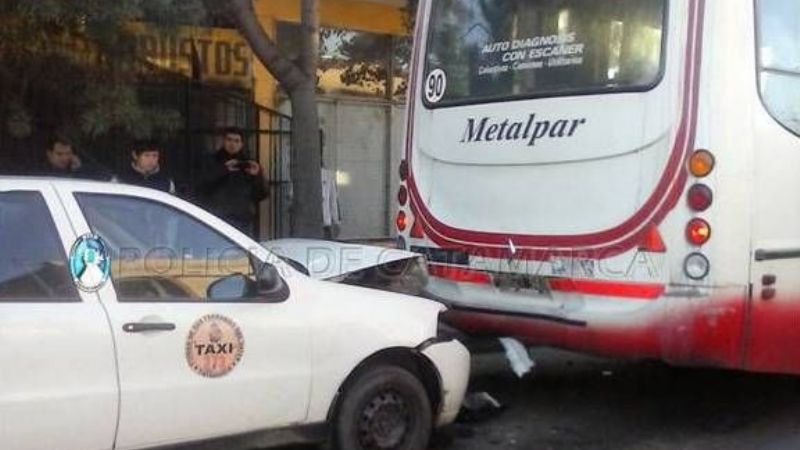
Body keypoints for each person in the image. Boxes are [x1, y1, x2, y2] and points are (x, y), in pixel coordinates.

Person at [198, 127, 268, 236]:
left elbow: (262, 194)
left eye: (237, 141)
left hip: (241, 221)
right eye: (229, 140)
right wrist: (223, 170)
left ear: (241, 144)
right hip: (217, 218)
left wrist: (256, 176)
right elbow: (201, 187)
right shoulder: (212, 161)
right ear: (223, 141)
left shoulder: (249, 164)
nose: (232, 144)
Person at [38, 134, 106, 179]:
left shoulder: (78, 168)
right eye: (59, 154)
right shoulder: (39, 171)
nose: (64, 158)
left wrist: (79, 169)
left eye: (68, 153)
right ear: (49, 154)